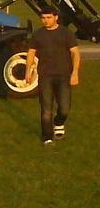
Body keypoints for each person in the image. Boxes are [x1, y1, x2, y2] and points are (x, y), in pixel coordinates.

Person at [24, 8, 80, 146]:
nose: (45, 20)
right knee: (46, 109)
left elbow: (75, 54)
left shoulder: (66, 33)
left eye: (48, 17)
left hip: (64, 75)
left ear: (56, 17)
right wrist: (28, 71)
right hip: (45, 76)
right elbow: (31, 53)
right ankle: (47, 137)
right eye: (43, 18)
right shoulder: (38, 34)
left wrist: (75, 73)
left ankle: (59, 122)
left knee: (64, 108)